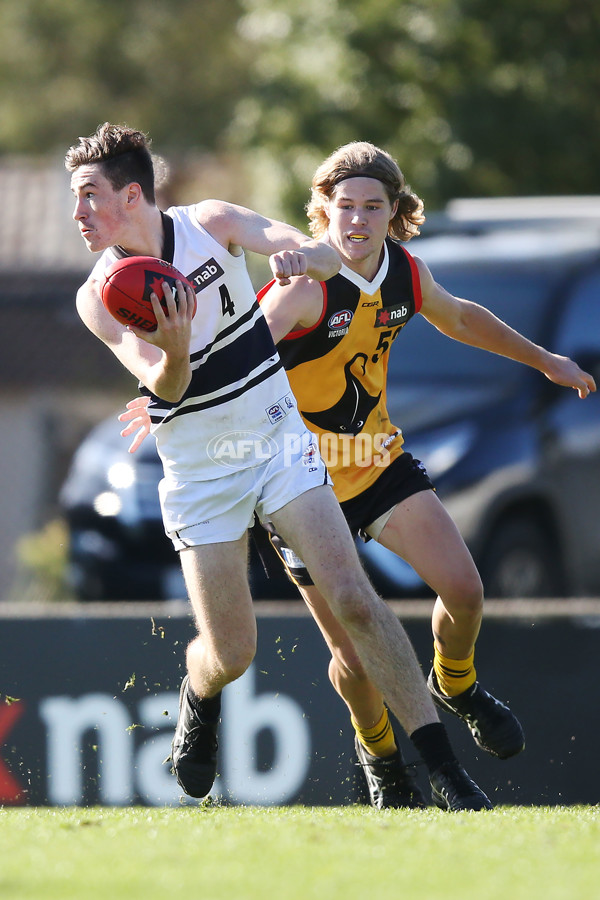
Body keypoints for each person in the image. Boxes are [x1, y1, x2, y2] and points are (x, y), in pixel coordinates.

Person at [119, 139, 597, 809]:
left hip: (374, 463)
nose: (358, 220)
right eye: (344, 206)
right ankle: (380, 759)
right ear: (321, 213)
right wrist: (164, 388)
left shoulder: (404, 272)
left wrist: (545, 360)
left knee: (465, 590)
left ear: (395, 212)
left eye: (374, 206)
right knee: (352, 647)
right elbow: (237, 345)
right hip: (300, 481)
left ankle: (454, 683)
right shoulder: (303, 291)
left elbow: (460, 317)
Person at [66, 122, 493, 812]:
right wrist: (174, 349)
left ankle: (445, 772)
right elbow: (165, 387)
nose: (77, 214)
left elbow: (311, 251)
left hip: (278, 443)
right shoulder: (100, 295)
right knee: (232, 651)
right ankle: (198, 693)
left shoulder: (210, 223)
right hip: (202, 472)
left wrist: (301, 258)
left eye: (88, 196)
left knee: (355, 598)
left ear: (132, 195)